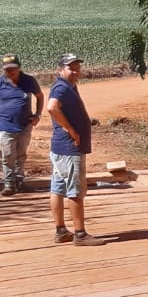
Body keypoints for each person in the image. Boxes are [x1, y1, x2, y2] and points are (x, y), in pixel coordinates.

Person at [47, 53, 100, 245]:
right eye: (71, 67)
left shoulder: (68, 86)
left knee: (58, 188)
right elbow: (52, 108)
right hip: (69, 148)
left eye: (78, 66)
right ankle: (80, 234)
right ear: (60, 70)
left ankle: (61, 231)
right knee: (75, 191)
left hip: (61, 148)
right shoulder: (61, 87)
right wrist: (71, 130)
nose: (76, 70)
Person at [0, 54, 43, 195]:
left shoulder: (29, 81)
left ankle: (19, 182)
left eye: (13, 68)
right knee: (8, 156)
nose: (10, 71)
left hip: (25, 125)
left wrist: (37, 115)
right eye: (7, 69)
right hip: (5, 126)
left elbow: (40, 97)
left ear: (19, 67)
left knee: (21, 155)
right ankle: (9, 184)